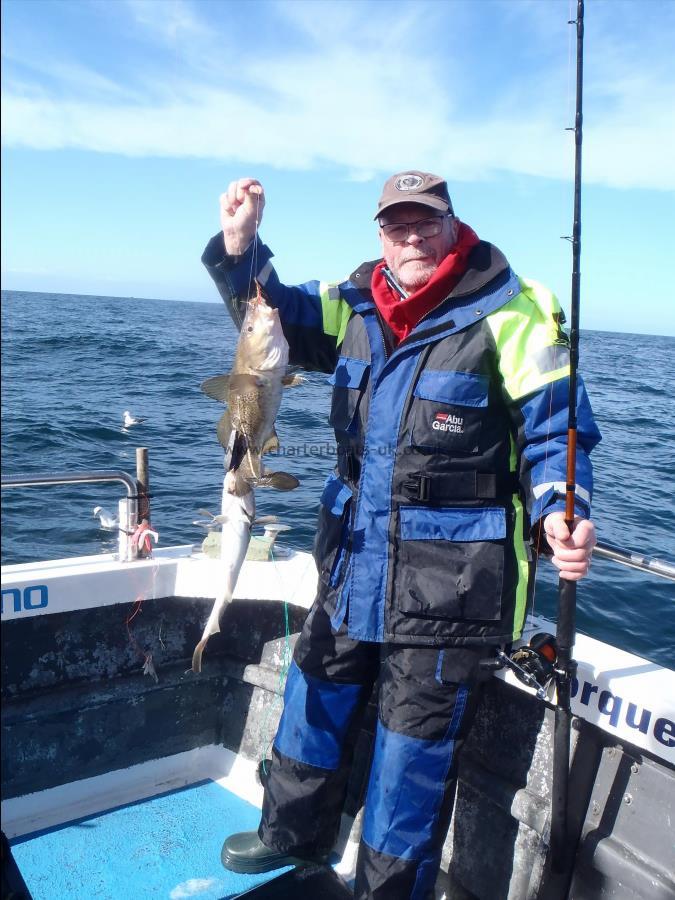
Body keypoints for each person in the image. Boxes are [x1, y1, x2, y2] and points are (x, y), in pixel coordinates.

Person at [202, 171, 601, 900]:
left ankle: (385, 892)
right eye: (395, 225)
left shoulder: (515, 312)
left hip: (450, 579)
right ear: (378, 234)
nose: (410, 236)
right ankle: (289, 834)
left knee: (409, 756)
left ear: (452, 224)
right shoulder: (352, 304)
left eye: (424, 222)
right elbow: (268, 316)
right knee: (312, 694)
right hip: (353, 554)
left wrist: (559, 506)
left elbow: (558, 429)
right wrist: (240, 246)